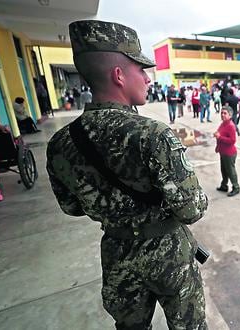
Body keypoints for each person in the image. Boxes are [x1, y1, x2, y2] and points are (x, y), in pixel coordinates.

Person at [45, 20, 208, 329]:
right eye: (140, 69)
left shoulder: (60, 143)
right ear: (119, 75)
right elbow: (192, 209)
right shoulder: (153, 135)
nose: (147, 78)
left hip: (117, 253)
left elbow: (72, 207)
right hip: (169, 254)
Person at [215, 106, 240, 196]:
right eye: (221, 113)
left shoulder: (230, 126)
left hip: (229, 153)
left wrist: (220, 137)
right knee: (224, 170)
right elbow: (219, 134)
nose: (222, 115)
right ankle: (224, 185)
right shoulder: (223, 124)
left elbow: (232, 141)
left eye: (225, 113)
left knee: (230, 171)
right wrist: (218, 146)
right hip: (223, 151)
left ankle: (236, 187)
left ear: (230, 115)